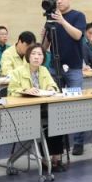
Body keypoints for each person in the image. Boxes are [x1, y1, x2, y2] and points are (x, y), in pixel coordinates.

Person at [8, 43, 69, 171]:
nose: (36, 57)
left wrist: (50, 88)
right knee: (47, 122)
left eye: (40, 54)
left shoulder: (44, 70)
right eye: (33, 54)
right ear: (28, 56)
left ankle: (56, 157)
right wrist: (25, 90)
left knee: (57, 117)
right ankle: (46, 159)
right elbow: (11, 92)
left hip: (43, 108)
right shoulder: (18, 72)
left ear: (43, 58)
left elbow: (53, 86)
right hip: (25, 111)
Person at [45, 0, 88, 155]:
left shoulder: (78, 16)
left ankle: (78, 142)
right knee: (55, 106)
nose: (59, 1)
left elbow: (78, 35)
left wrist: (62, 21)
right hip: (54, 67)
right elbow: (44, 47)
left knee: (77, 106)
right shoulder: (51, 18)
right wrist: (44, 33)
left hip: (74, 68)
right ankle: (59, 144)